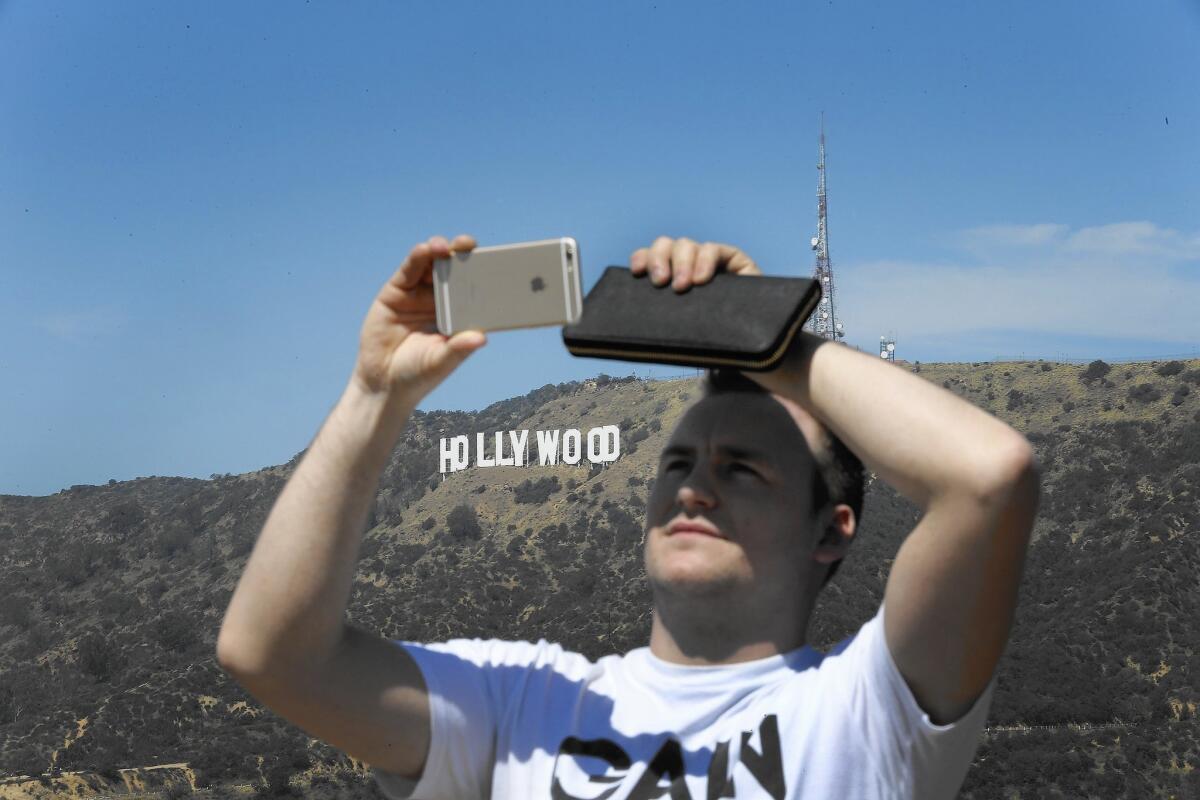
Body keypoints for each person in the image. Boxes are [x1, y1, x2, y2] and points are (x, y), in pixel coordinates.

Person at [217, 234, 1040, 799]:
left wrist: (765, 340)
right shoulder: (524, 705)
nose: (694, 488)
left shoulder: (868, 711)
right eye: (678, 463)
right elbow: (274, 654)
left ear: (831, 528)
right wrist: (374, 395)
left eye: (742, 469)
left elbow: (989, 479)